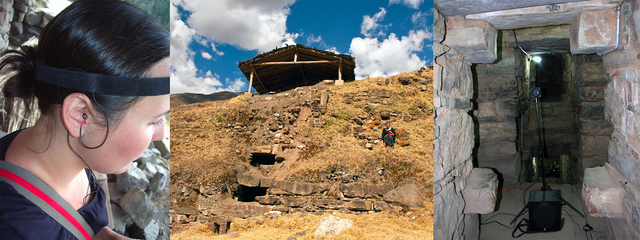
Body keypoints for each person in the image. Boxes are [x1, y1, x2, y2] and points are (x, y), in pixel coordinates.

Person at [0, 0, 169, 239]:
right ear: (81, 115)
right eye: (155, 120)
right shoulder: (13, 228)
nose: (162, 134)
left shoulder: (71, 153)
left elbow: (83, 227)